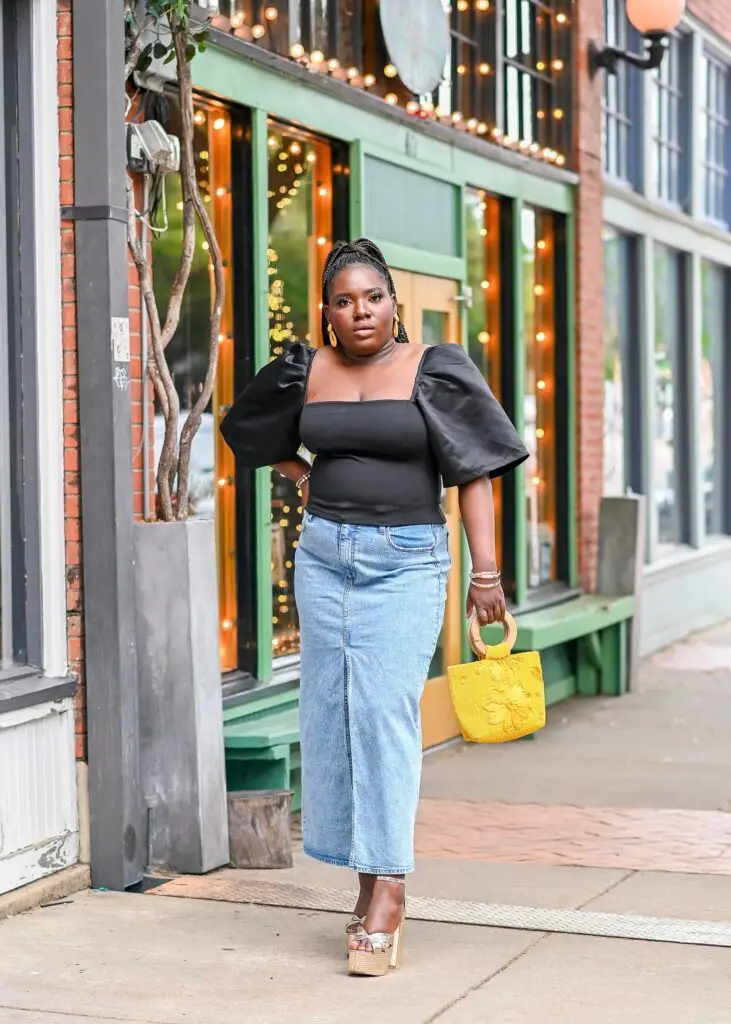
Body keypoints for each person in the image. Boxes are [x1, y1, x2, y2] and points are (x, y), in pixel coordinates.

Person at [220, 238, 528, 977]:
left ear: (392, 302)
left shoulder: (435, 368)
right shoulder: (307, 368)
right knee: (331, 715)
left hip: (406, 562)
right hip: (324, 559)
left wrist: (485, 575)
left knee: (385, 715)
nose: (359, 312)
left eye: (372, 298)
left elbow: (478, 473)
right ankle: (361, 878)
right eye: (343, 300)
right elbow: (246, 428)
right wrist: (302, 474)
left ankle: (388, 887)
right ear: (326, 311)